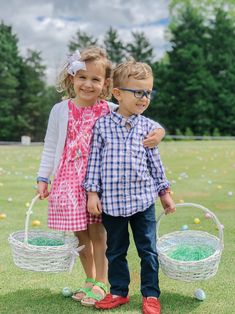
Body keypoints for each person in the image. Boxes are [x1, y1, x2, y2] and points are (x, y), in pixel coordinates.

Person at [36, 48, 165, 307]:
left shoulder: (110, 109)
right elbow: (51, 144)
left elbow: (140, 115)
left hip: (99, 182)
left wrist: (160, 132)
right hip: (68, 181)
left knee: (99, 234)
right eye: (82, 77)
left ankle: (104, 283)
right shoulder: (60, 110)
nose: (88, 84)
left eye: (95, 79)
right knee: (80, 234)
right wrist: (43, 176)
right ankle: (90, 280)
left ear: (106, 84)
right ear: (71, 78)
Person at [84, 60, 176, 314]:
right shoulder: (102, 126)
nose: (144, 98)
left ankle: (150, 294)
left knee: (148, 251)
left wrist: (165, 193)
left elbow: (155, 164)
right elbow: (94, 162)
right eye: (138, 92)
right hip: (112, 203)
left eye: (148, 92)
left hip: (143, 201)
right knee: (115, 251)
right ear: (118, 93)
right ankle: (118, 292)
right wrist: (92, 193)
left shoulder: (148, 128)